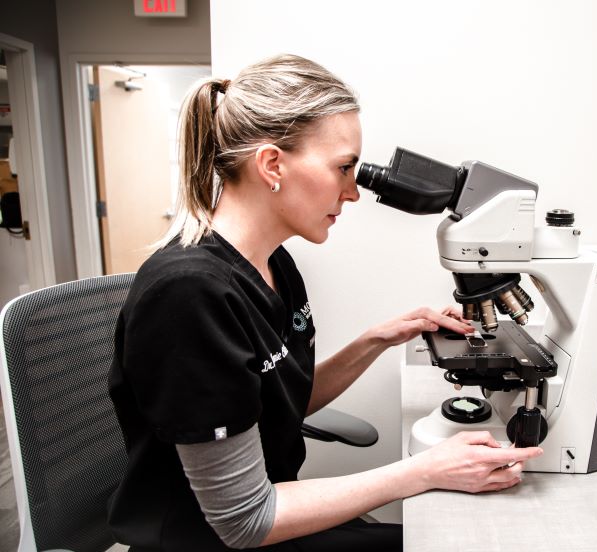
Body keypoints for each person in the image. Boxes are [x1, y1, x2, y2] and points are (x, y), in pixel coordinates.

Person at [107, 53, 543, 552]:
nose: (354, 192)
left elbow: (280, 402)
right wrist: (424, 471)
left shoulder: (274, 265)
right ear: (272, 164)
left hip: (267, 515)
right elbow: (243, 521)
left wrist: (377, 338)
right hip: (210, 540)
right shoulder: (188, 294)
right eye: (343, 168)